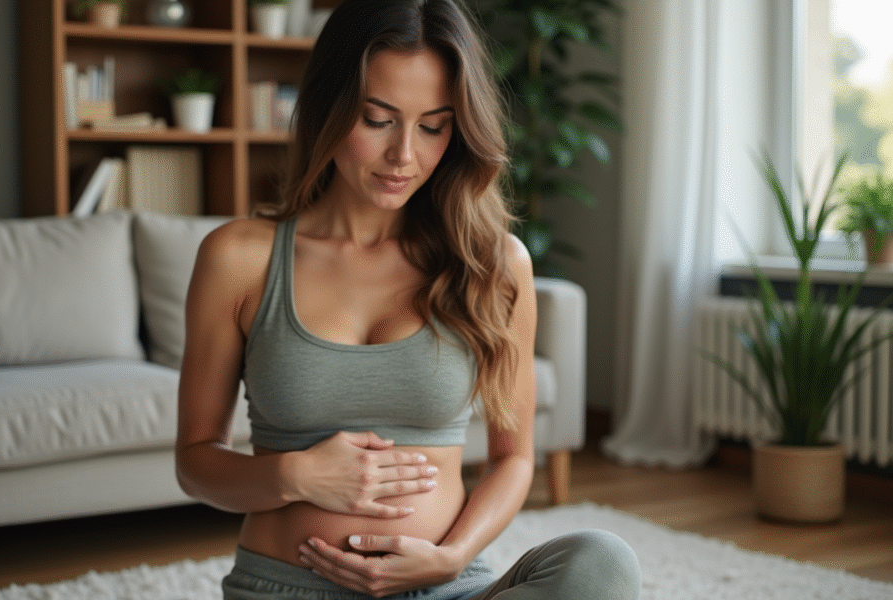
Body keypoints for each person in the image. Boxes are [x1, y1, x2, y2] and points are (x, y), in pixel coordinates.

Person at [175, 0, 642, 598]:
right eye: (377, 120)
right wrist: (294, 475)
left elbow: (513, 459)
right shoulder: (240, 257)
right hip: (288, 588)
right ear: (328, 108)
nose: (404, 155)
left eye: (433, 126)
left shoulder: (493, 265)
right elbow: (196, 461)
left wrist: (451, 558)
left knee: (600, 561)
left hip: (445, 587)